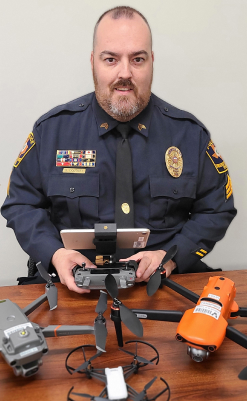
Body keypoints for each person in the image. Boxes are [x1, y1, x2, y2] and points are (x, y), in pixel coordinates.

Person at [1, 6, 236, 293]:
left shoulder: (189, 135)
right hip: (71, 289)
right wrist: (55, 253)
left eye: (137, 59)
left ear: (152, 62)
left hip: (164, 287)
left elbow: (218, 209)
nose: (125, 73)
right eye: (110, 59)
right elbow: (20, 204)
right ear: (92, 62)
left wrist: (171, 257)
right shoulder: (52, 131)